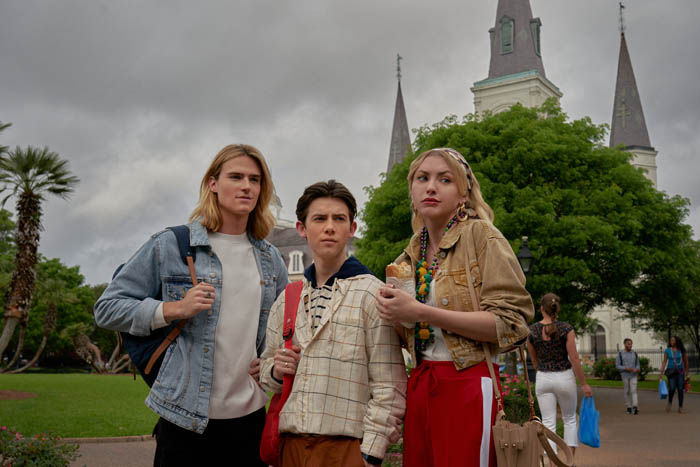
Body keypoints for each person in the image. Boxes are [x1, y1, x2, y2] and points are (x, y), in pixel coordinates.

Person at [95, 144, 288, 466]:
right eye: (236, 177)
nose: (246, 186)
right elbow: (108, 307)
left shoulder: (271, 260)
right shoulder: (171, 244)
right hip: (184, 416)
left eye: (255, 180)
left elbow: (282, 331)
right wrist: (172, 309)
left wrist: (274, 362)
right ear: (212, 183)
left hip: (249, 417)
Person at [375, 148, 534, 467]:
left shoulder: (482, 236)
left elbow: (511, 324)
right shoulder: (410, 253)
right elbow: (409, 332)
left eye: (444, 179)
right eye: (423, 178)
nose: (431, 187)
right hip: (421, 381)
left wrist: (420, 312)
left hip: (468, 382)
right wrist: (393, 314)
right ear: (413, 190)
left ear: (464, 194)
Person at [260, 180, 406, 467]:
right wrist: (276, 369)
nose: (329, 227)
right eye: (319, 219)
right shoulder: (288, 298)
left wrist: (370, 454)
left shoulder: (372, 294)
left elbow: (389, 383)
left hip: (347, 448)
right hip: (290, 447)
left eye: (339, 219)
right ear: (302, 228)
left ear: (352, 229)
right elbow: (266, 371)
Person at [526, 293, 592, 457]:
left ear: (541, 309)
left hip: (543, 377)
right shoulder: (566, 329)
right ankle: (569, 460)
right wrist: (584, 384)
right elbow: (575, 358)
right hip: (564, 376)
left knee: (548, 422)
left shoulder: (532, 331)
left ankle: (552, 461)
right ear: (557, 309)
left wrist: (541, 370)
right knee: (569, 419)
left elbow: (534, 360)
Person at [659, 335, 690, 414]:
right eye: (670, 340)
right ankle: (669, 402)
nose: (671, 342)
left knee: (680, 389)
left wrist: (687, 374)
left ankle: (680, 407)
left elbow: (686, 362)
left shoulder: (681, 350)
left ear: (676, 341)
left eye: (673, 340)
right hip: (671, 372)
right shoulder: (667, 350)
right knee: (672, 388)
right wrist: (661, 373)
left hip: (680, 372)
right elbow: (664, 362)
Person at [616, 338, 640, 414]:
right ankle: (628, 407)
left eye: (631, 344)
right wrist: (625, 368)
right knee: (627, 391)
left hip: (634, 375)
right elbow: (617, 366)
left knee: (634, 390)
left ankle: (635, 406)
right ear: (625, 344)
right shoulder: (620, 354)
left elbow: (638, 364)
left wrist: (637, 369)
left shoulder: (634, 354)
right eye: (628, 344)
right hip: (625, 375)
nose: (630, 345)